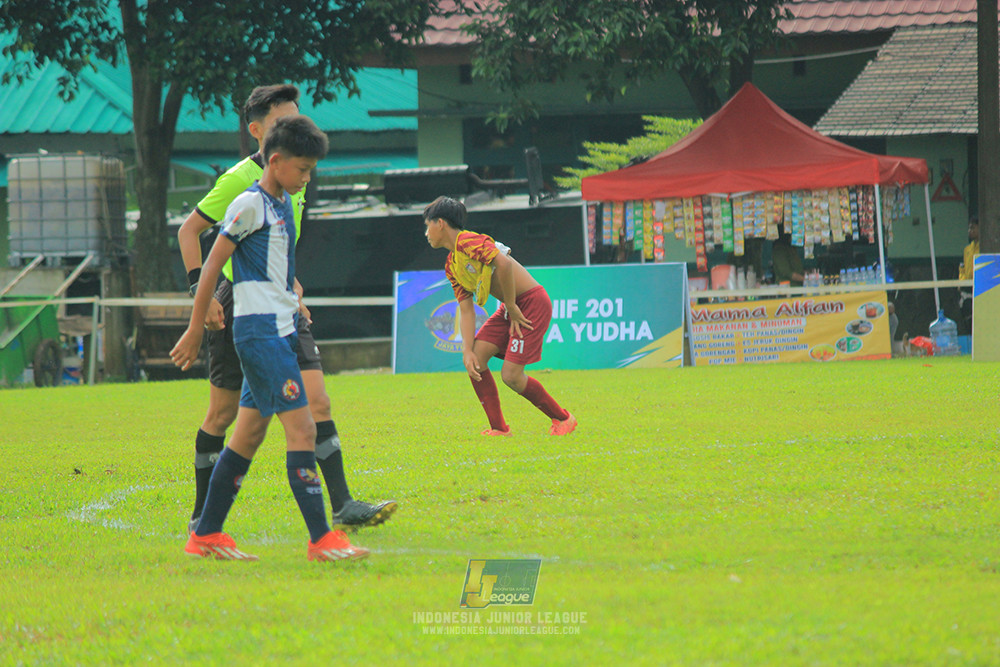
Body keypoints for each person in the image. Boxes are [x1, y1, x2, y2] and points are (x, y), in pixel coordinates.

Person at [177, 84, 395, 533]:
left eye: (299, 119)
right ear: (258, 132)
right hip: (243, 308)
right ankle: (204, 517)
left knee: (316, 401)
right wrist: (205, 297)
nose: (295, 128)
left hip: (283, 306)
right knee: (226, 416)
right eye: (283, 123)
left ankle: (342, 506)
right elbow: (191, 233)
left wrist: (294, 287)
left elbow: (278, 246)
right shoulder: (242, 183)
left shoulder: (298, 174)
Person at [423, 196, 577, 436]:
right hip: (510, 307)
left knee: (511, 376)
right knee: (476, 359)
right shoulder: (452, 264)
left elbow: (503, 265)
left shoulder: (468, 241)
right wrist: (466, 349)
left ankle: (563, 418)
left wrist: (512, 306)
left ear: (440, 223)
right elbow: (466, 309)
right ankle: (500, 429)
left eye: (427, 225)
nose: (426, 232)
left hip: (529, 303)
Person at [958, 215, 979, 332]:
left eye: (973, 228)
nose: (970, 231)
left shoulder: (986, 248)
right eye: (969, 228)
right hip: (967, 287)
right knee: (967, 317)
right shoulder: (967, 249)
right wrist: (961, 282)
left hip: (980, 286)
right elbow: (963, 268)